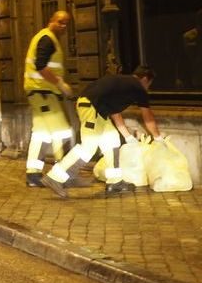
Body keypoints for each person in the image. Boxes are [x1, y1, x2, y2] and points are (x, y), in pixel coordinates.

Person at [41, 65, 163, 198]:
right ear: (145, 79)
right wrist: (158, 138)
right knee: (88, 147)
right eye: (149, 84)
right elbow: (148, 117)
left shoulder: (123, 84)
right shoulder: (137, 87)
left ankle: (115, 182)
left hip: (97, 110)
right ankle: (55, 177)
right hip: (91, 108)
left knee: (112, 142)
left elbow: (115, 112)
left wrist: (127, 136)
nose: (147, 88)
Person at [23, 10, 74, 188]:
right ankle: (62, 174)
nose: (63, 26)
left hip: (39, 93)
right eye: (60, 22)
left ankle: (33, 174)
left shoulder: (47, 38)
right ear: (50, 20)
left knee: (41, 134)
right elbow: (41, 66)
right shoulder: (47, 39)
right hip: (43, 93)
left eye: (66, 23)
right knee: (62, 132)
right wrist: (60, 84)